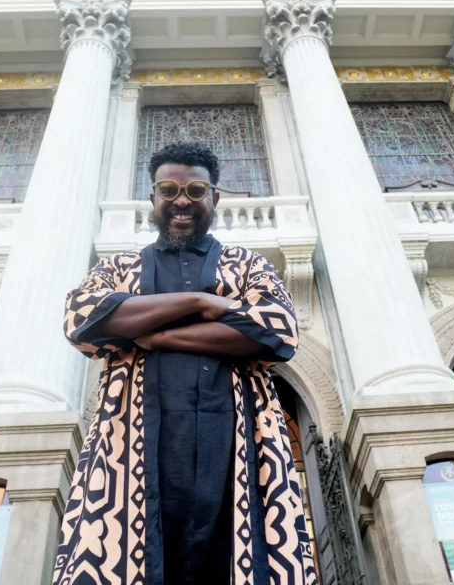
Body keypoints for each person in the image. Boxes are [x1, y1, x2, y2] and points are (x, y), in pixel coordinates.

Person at [54, 142, 317, 585]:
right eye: (169, 189)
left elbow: (277, 330)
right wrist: (203, 302)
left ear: (214, 198)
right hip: (133, 451)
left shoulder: (248, 266)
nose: (182, 200)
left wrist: (151, 333)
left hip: (236, 448)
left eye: (196, 190)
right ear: (153, 198)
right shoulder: (119, 267)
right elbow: (83, 318)